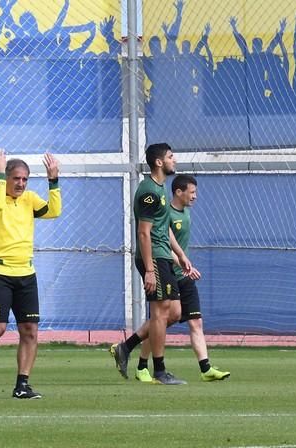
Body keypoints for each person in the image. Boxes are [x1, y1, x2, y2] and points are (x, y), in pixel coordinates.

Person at [0, 149, 61, 399]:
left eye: (25, 179)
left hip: (26, 272)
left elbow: (53, 211)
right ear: (5, 178)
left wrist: (53, 180)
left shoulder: (29, 199)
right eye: (16, 178)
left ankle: (22, 385)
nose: (21, 183)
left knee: (30, 329)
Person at [135, 174, 230, 382]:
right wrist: (182, 264)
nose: (195, 196)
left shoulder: (186, 212)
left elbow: (175, 246)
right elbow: (160, 245)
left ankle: (206, 369)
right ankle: (140, 361)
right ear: (178, 192)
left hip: (184, 274)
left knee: (195, 321)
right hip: (170, 272)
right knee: (161, 320)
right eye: (192, 192)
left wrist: (185, 262)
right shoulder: (163, 212)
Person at [111, 143, 192, 385]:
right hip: (153, 257)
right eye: (170, 156)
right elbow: (144, 233)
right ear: (159, 162)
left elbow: (164, 227)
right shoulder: (149, 191)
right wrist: (149, 270)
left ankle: (126, 347)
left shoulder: (162, 188)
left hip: (164, 256)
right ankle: (159, 370)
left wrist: (180, 255)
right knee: (159, 312)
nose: (174, 160)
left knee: (175, 313)